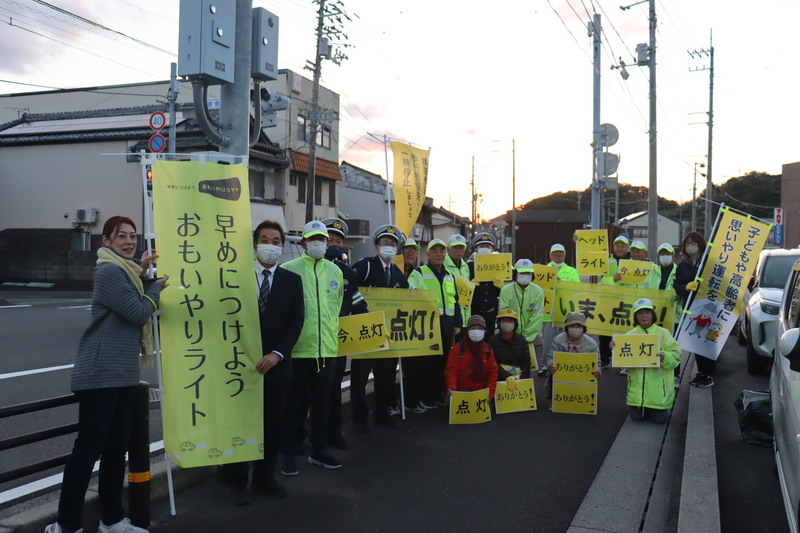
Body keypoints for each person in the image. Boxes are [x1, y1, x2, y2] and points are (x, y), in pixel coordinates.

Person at [46, 216, 167, 533]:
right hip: (101, 373)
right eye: (121, 236)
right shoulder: (108, 270)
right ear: (106, 242)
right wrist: (153, 288)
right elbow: (139, 310)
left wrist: (141, 272)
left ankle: (111, 520)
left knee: (115, 451)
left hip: (123, 374)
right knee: (88, 451)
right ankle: (66, 525)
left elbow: (132, 290)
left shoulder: (124, 271)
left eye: (133, 236)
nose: (129, 241)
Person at [223, 220, 304, 505]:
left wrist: (277, 354)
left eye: (276, 240)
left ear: (283, 246)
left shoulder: (292, 281)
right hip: (239, 365)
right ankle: (235, 480)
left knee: (271, 424)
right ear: (254, 243)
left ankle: (264, 478)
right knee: (239, 423)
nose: (270, 245)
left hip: (276, 366)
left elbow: (296, 322)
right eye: (264, 239)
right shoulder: (236, 275)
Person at [278, 220, 344, 476]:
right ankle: (287, 453)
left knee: (322, 404)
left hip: (326, 349)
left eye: (323, 239)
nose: (318, 243)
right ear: (303, 242)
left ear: (327, 243)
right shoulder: (288, 269)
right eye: (313, 239)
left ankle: (318, 450)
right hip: (296, 350)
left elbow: (335, 308)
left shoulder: (335, 271)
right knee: (291, 406)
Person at [351, 224, 408, 430]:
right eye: (385, 243)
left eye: (393, 244)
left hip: (388, 334)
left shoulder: (397, 272)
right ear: (376, 247)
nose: (389, 247)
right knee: (359, 378)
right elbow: (350, 285)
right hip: (365, 332)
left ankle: (381, 412)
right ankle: (359, 418)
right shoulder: (365, 265)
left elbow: (408, 298)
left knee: (385, 377)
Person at [321, 218, 368, 445]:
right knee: (306, 392)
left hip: (338, 341)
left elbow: (357, 301)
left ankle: (334, 433)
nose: (333, 244)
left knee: (334, 389)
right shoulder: (307, 269)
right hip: (311, 342)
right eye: (329, 239)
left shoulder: (347, 273)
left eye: (337, 241)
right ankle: (301, 437)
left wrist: (372, 324)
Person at [405, 238, 462, 413]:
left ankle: (437, 394)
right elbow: (412, 297)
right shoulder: (419, 273)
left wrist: (457, 323)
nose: (439, 254)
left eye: (442, 251)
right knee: (425, 364)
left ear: (446, 254)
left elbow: (456, 301)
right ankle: (424, 397)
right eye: (435, 251)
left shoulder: (450, 276)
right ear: (428, 254)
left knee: (442, 363)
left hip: (446, 325)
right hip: (427, 326)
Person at [612, 298, 681, 423]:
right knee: (636, 418)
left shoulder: (663, 333)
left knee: (661, 420)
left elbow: (676, 357)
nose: (644, 316)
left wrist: (664, 356)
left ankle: (655, 409)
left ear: (652, 314)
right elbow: (622, 361)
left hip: (659, 394)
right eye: (640, 313)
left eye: (647, 312)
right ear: (635, 316)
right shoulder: (630, 335)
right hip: (636, 395)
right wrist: (615, 349)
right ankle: (642, 407)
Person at [674, 231, 713, 387]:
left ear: (700, 244)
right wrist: (685, 288)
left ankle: (708, 375)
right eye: (687, 243)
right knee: (695, 341)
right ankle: (701, 373)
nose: (690, 246)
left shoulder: (708, 263)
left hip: (708, 309)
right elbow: (677, 286)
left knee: (707, 342)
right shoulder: (683, 265)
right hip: (690, 308)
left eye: (693, 243)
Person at [538, 243, 581, 376]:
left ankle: (565, 363)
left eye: (561, 255)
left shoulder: (572, 271)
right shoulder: (543, 270)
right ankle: (546, 365)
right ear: (550, 255)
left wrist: (560, 282)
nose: (558, 257)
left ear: (565, 256)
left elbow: (576, 288)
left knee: (567, 339)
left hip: (565, 311)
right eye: (556, 254)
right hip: (548, 311)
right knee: (548, 340)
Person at [498, 259, 544, 374]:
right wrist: (512, 335)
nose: (525, 276)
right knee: (508, 370)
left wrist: (525, 338)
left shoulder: (538, 291)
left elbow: (537, 317)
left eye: (528, 273)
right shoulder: (506, 290)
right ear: (516, 274)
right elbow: (504, 314)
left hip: (528, 340)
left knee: (525, 370)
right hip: (509, 337)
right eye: (522, 273)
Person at [544, 312, 601, 400]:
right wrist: (550, 365)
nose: (575, 329)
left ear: (583, 328)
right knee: (553, 375)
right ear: (567, 327)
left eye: (578, 326)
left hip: (582, 375)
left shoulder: (591, 344)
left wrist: (597, 371)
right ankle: (555, 399)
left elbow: (597, 362)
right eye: (572, 326)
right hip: (562, 374)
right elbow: (550, 357)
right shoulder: (558, 340)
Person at [598, 235, 631, 369]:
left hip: (626, 301)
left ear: (627, 247)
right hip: (608, 300)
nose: (619, 248)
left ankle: (623, 361)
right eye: (617, 245)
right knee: (605, 332)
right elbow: (601, 279)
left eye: (622, 246)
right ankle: (605, 359)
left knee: (624, 331)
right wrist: (614, 279)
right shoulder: (606, 260)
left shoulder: (633, 261)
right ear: (613, 247)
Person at [445, 315, 498, 399]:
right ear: (468, 330)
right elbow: (451, 370)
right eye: (473, 328)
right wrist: (452, 387)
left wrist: (490, 393)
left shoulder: (488, 350)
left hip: (483, 390)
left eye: (480, 328)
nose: (476, 331)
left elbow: (493, 373)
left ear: (484, 331)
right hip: (463, 389)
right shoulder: (458, 348)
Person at [468, 232, 502, 333]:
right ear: (476, 249)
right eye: (481, 246)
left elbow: (504, 293)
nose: (485, 248)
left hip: (492, 314)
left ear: (492, 249)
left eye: (488, 246)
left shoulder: (499, 266)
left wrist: (502, 288)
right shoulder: (468, 266)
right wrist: (469, 285)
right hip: (474, 313)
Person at [487, 309, 530, 381]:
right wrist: (506, 376)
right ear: (499, 323)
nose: (507, 323)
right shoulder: (492, 340)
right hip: (500, 379)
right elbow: (493, 363)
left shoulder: (522, 339)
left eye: (510, 321)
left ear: (515, 323)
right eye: (504, 320)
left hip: (519, 379)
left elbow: (526, 363)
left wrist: (522, 378)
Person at [444, 233, 471, 338]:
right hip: (450, 317)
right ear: (448, 249)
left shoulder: (465, 266)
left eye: (461, 247)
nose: (458, 250)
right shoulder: (442, 265)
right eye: (455, 247)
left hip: (465, 317)